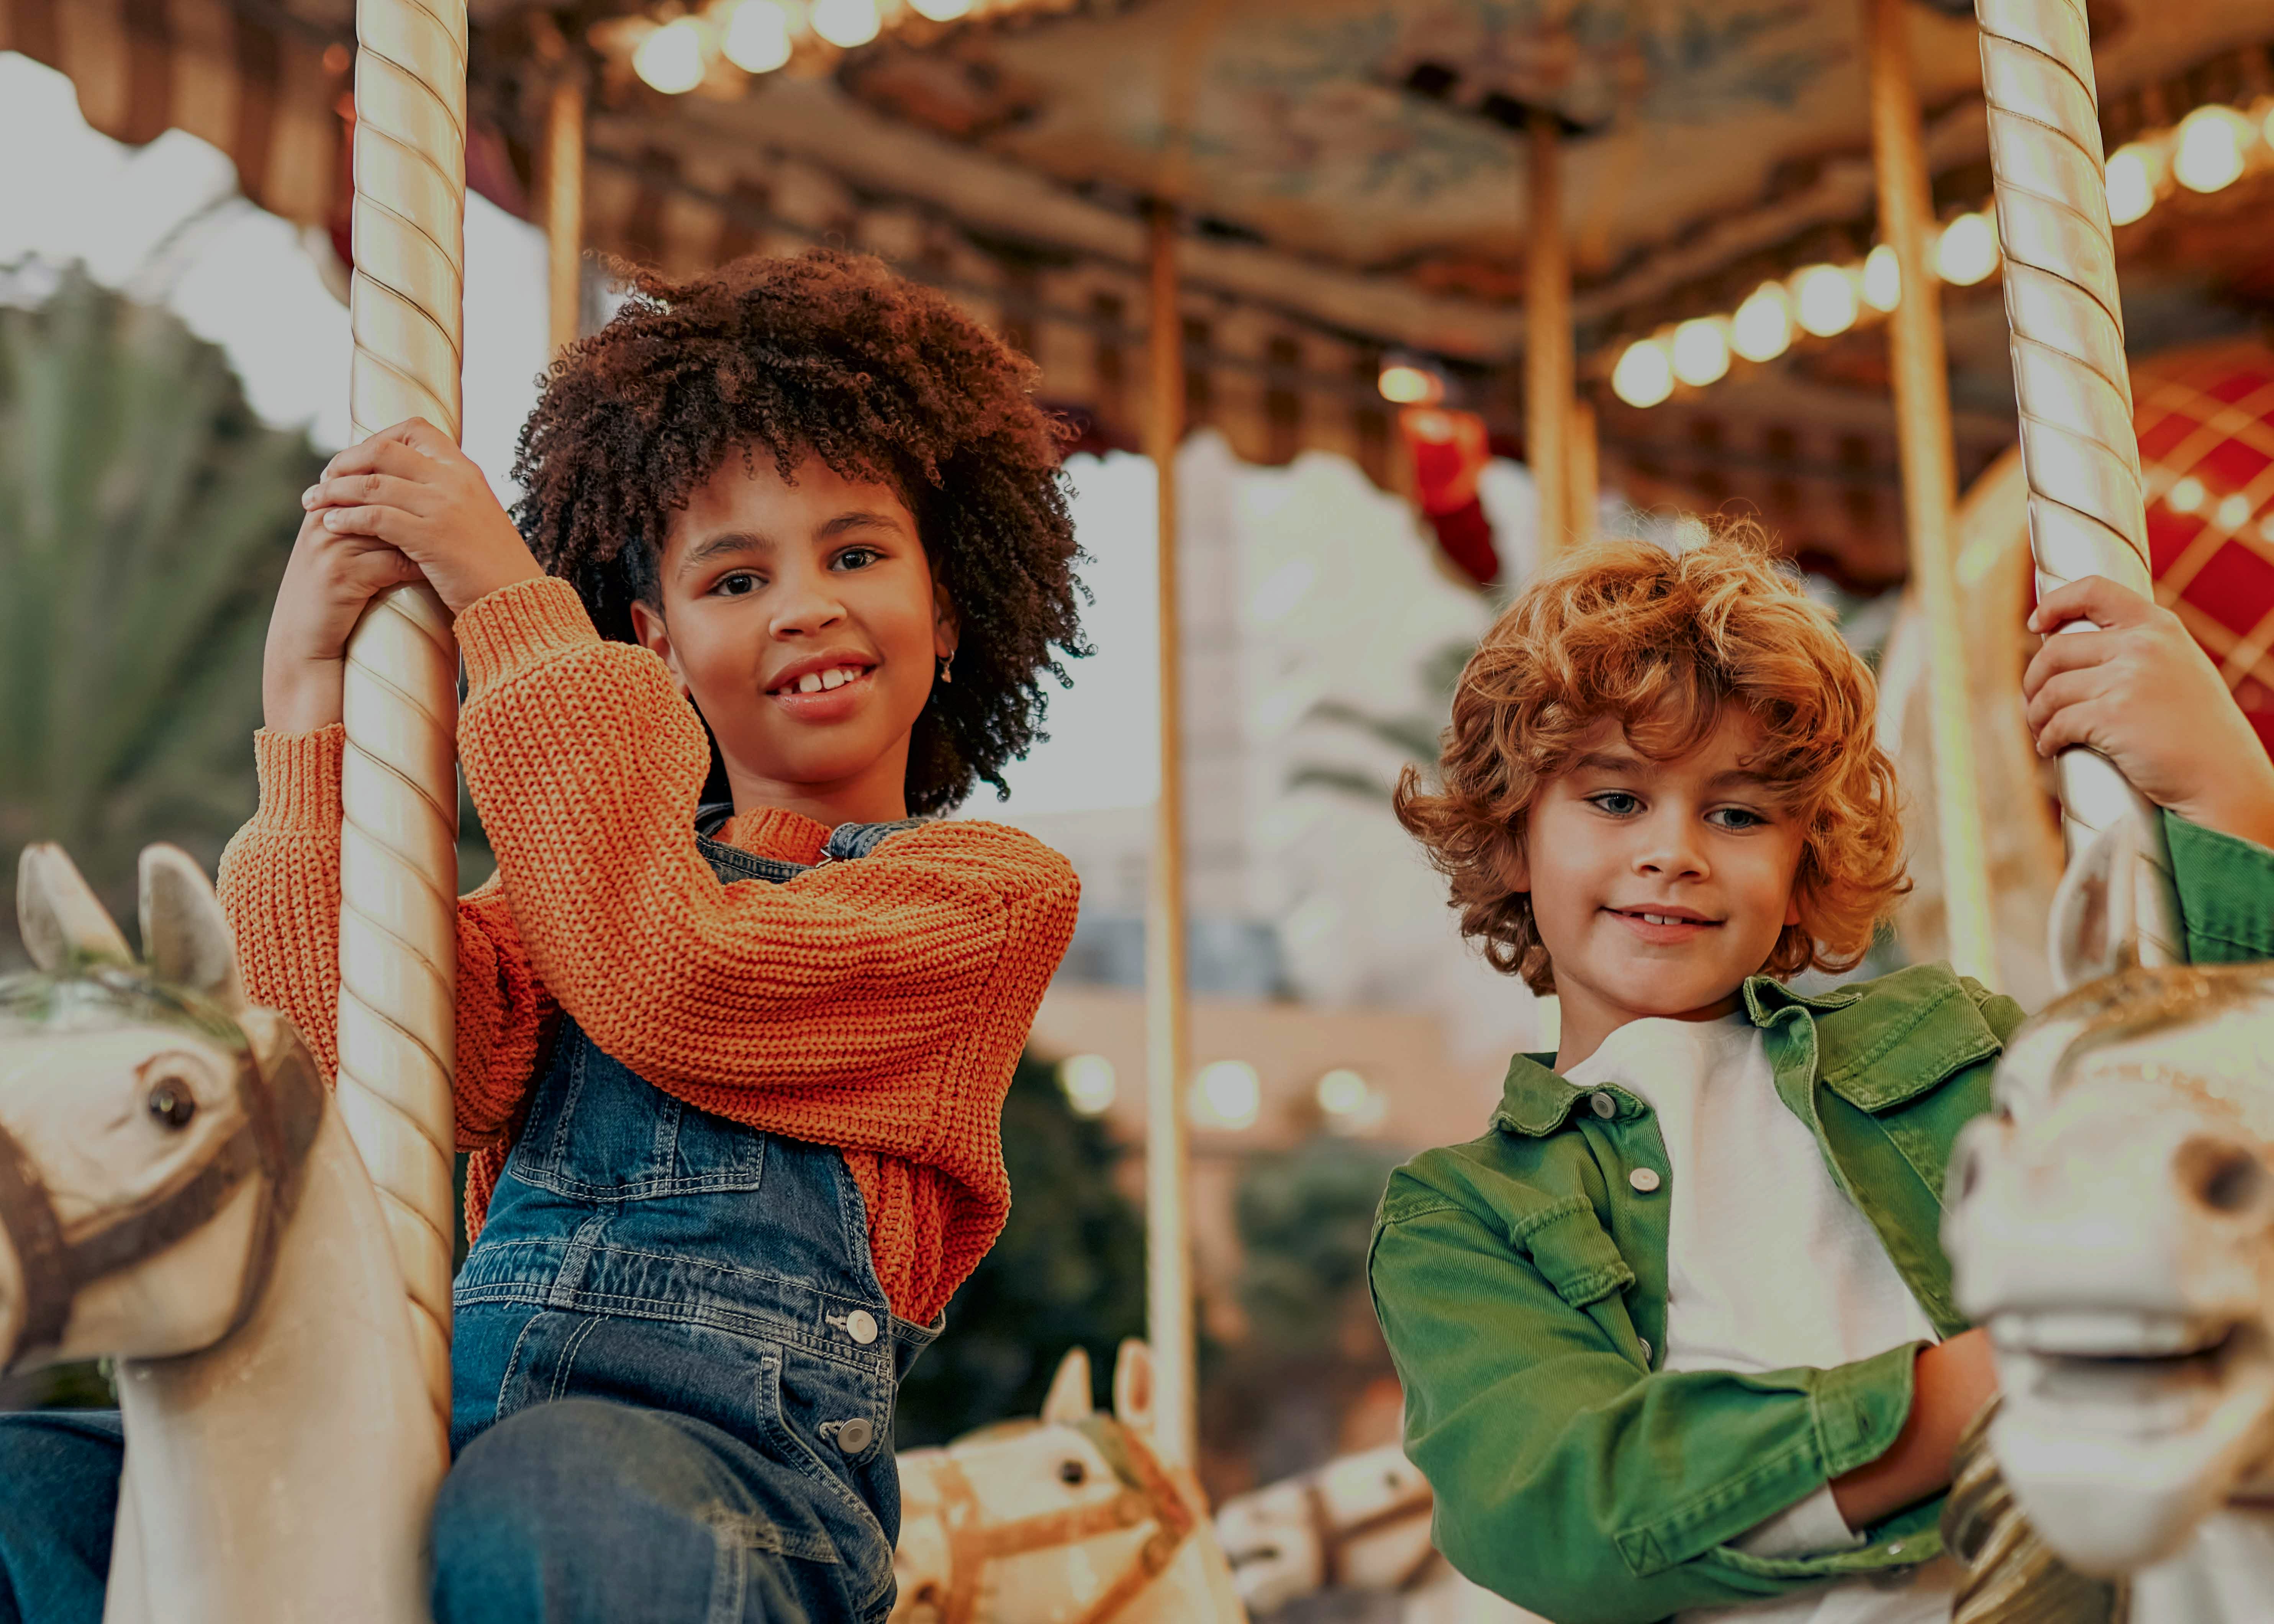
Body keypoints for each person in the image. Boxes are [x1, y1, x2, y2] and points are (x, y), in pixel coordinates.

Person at [0, 250, 1085, 1624]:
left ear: (944, 607)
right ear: (659, 641)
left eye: (856, 554)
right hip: (448, 1445)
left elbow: (681, 976)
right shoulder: (567, 893)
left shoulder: (980, 895)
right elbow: (345, 1054)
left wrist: (507, 604)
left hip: (736, 1486)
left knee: (552, 1498)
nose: (804, 604)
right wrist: (307, 716)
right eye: (733, 580)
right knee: (28, 1478)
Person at [1367, 529, 2274, 1624]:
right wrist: (2016, 1378)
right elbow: (1563, 1506)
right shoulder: (1464, 1218)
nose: (1675, 851)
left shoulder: (1949, 1042)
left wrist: (2232, 804)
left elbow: (2207, 1102)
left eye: (1739, 814)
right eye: (1615, 801)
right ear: (1512, 837)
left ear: (1806, 864)